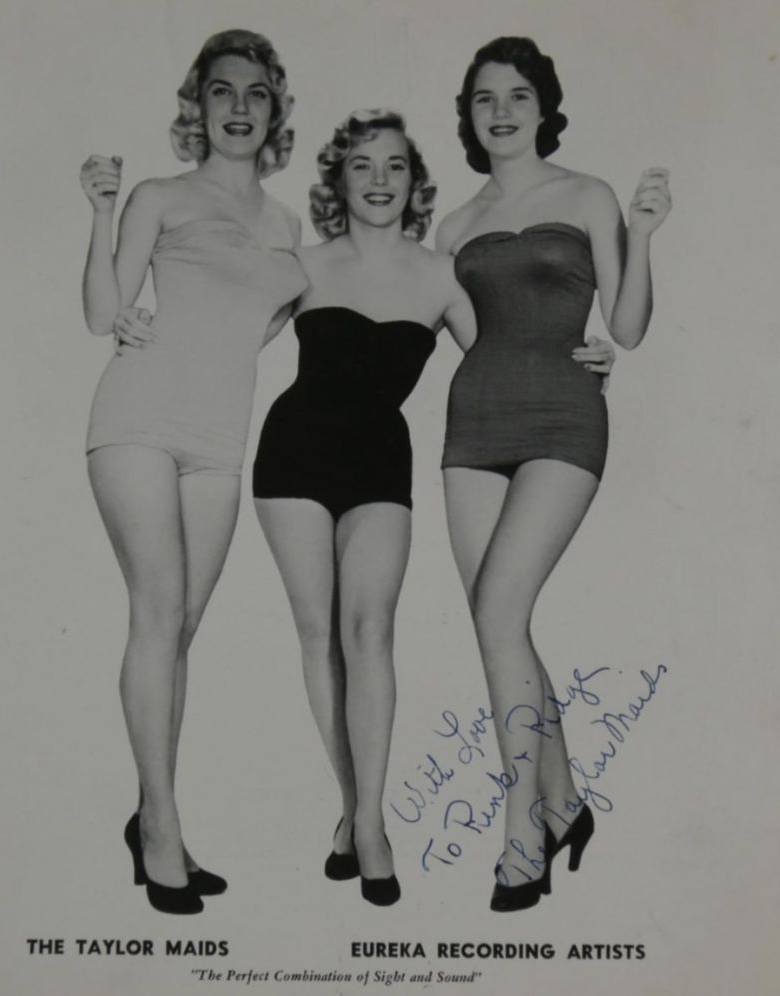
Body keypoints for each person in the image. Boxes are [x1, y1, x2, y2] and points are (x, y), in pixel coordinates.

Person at [251, 108, 613, 906]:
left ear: (414, 182)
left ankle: (374, 822)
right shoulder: (301, 264)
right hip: (292, 456)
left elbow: (511, 346)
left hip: (381, 464)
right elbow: (225, 330)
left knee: (370, 633)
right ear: (337, 181)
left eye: (394, 166)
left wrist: (590, 354)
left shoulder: (444, 273)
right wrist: (139, 324)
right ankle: (363, 818)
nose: (378, 180)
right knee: (320, 637)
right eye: (361, 166)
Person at [435, 36, 672, 911]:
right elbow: (459, 332)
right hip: (472, 426)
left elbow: (629, 327)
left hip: (564, 420)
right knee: (499, 624)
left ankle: (520, 832)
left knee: (499, 615)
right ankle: (566, 803)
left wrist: (641, 235)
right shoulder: (451, 226)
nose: (500, 112)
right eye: (483, 98)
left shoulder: (587, 194)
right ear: (467, 117)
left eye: (517, 96)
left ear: (543, 109)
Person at [79, 29, 306, 914]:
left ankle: (150, 819)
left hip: (220, 440)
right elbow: (103, 310)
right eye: (221, 91)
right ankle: (164, 834)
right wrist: (101, 212)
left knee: (179, 633)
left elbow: (266, 325)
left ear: (274, 109)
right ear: (197, 106)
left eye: (255, 93)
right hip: (137, 419)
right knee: (156, 612)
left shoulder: (288, 227)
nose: (238, 107)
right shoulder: (160, 194)